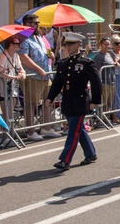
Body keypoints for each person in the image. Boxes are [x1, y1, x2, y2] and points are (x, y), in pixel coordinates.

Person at [46, 33, 101, 171]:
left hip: (80, 101)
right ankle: (91, 153)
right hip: (68, 102)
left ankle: (65, 160)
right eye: (66, 44)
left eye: (71, 44)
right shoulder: (63, 64)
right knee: (78, 129)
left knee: (73, 132)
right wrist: (50, 97)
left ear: (79, 45)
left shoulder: (86, 63)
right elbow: (57, 83)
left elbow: (96, 83)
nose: (68, 47)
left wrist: (95, 101)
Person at [18, 13, 60, 140]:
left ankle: (46, 127)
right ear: (27, 24)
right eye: (35, 23)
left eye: (37, 23)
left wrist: (51, 54)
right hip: (33, 76)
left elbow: (44, 51)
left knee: (49, 101)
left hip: (45, 75)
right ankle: (31, 131)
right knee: (31, 104)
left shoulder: (39, 37)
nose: (37, 25)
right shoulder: (24, 39)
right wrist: (38, 69)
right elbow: (23, 58)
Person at [0, 37, 26, 132]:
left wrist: (22, 74)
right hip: (3, 90)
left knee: (9, 115)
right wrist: (15, 77)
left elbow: (20, 68)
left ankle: (6, 135)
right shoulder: (2, 56)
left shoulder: (16, 56)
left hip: (13, 89)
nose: (19, 45)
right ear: (11, 45)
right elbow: (0, 73)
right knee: (6, 114)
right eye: (17, 43)